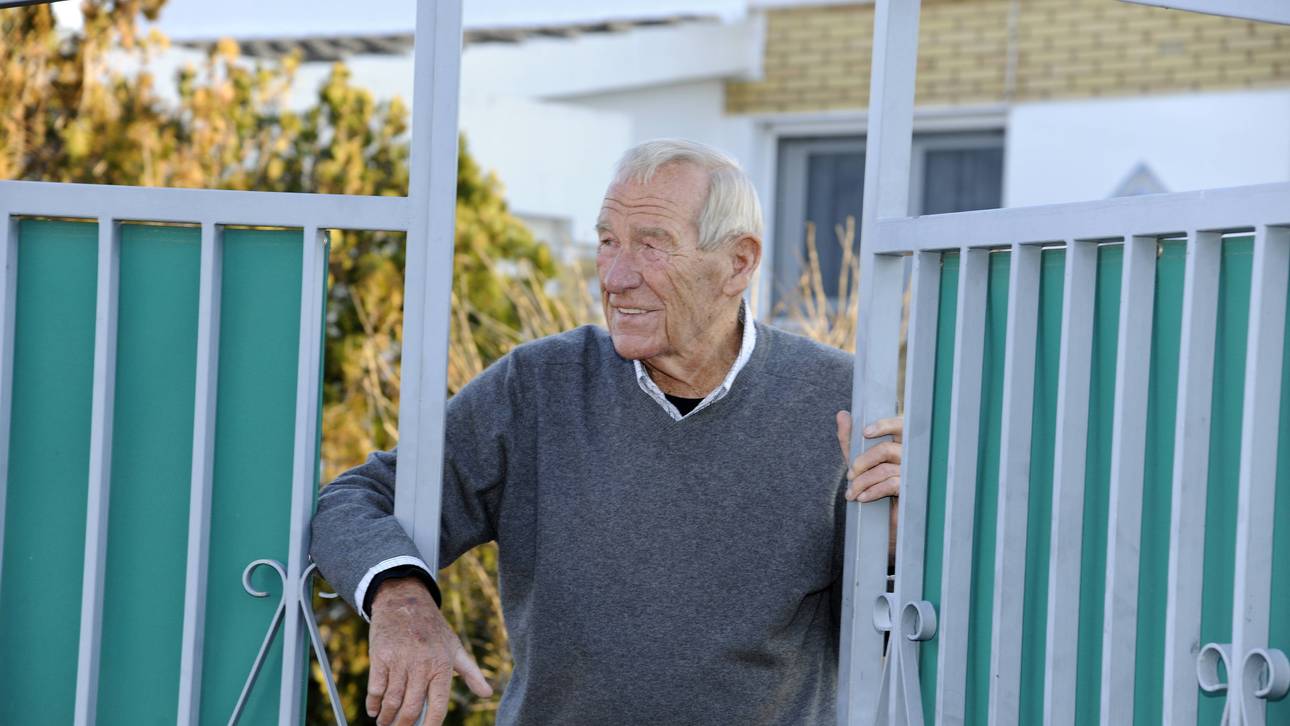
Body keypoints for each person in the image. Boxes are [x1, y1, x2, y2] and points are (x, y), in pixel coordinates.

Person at [310, 138, 903, 726]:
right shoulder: (538, 386)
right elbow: (354, 499)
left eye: (652, 246)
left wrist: (900, 548)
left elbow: (886, 644)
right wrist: (401, 598)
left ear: (738, 263)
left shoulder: (840, 402)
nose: (616, 277)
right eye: (607, 242)